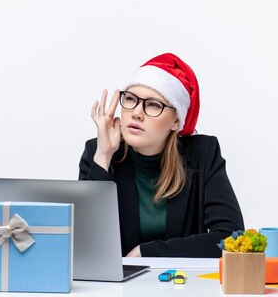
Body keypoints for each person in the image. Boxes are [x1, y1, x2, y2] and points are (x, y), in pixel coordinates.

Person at [78, 53, 244, 257]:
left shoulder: (203, 153)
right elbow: (84, 242)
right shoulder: (98, 152)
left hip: (182, 284)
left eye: (153, 105)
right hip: (117, 286)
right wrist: (103, 156)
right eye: (130, 99)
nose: (137, 112)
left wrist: (146, 251)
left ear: (177, 121)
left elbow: (231, 237)